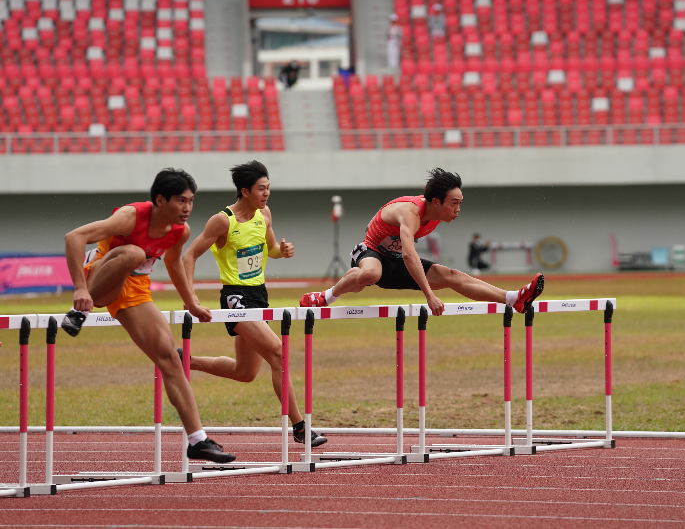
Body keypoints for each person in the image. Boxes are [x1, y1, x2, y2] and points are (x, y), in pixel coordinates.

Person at [61, 168, 235, 463]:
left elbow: (174, 263)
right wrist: (81, 289)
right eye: (181, 201)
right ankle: (76, 312)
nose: (188, 208)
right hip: (101, 275)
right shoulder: (130, 217)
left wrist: (190, 301)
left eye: (191, 201)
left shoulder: (181, 231)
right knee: (134, 254)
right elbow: (74, 237)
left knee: (170, 357)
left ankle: (198, 440)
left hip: (135, 290)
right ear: (160, 200)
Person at [182, 160, 327, 447]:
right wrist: (192, 297)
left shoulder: (265, 214)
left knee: (244, 372)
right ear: (245, 191)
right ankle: (300, 427)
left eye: (268, 187)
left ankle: (183, 360)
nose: (267, 193)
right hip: (235, 298)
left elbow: (270, 248)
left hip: (259, 296)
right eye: (261, 188)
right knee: (278, 353)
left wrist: (282, 252)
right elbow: (189, 256)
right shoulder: (223, 220)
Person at [300, 168, 544, 316]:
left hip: (395, 261)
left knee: (451, 276)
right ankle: (326, 296)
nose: (458, 209)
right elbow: (409, 255)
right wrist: (429, 295)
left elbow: (404, 257)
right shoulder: (411, 213)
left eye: (460, 203)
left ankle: (514, 299)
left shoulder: (436, 216)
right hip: (372, 252)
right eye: (454, 203)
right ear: (436, 202)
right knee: (371, 274)